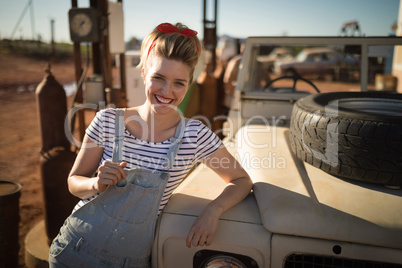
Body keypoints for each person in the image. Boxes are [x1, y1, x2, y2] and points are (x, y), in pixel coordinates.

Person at [48, 22, 253, 268]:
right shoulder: (108, 120)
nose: (167, 91)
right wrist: (95, 183)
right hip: (73, 250)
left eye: (179, 83)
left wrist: (214, 210)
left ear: (189, 84)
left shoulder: (194, 135)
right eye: (158, 78)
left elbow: (241, 181)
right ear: (144, 73)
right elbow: (74, 182)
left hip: (131, 261)